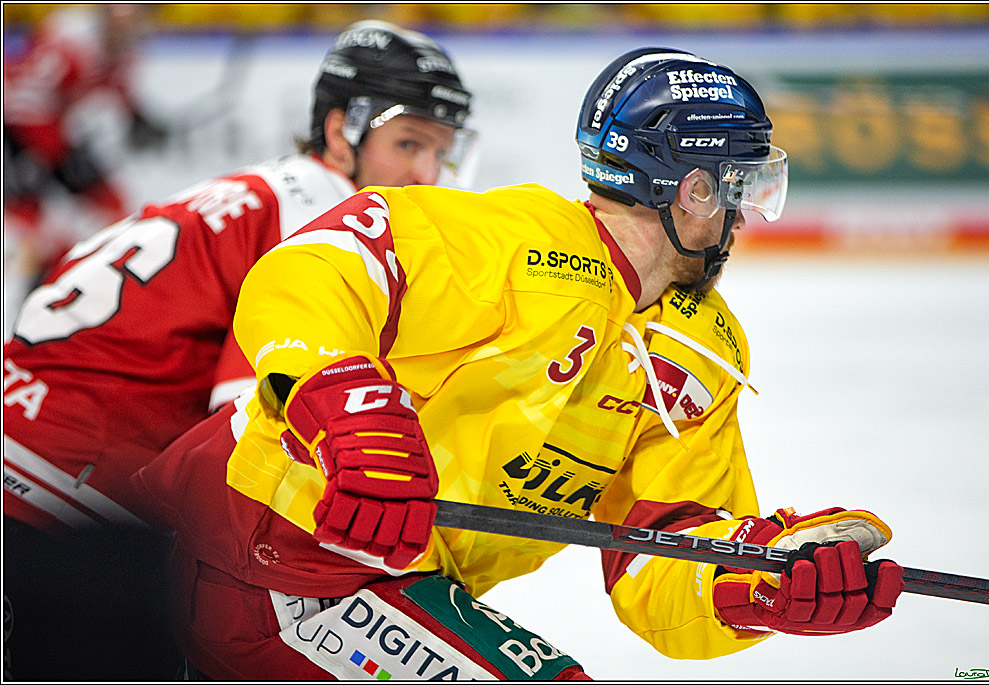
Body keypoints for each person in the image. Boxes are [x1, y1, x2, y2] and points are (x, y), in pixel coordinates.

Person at [132, 47, 905, 680]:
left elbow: (662, 551)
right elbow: (315, 264)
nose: (744, 216)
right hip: (260, 545)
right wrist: (343, 404)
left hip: (391, 582)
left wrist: (758, 584)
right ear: (690, 186)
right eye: (737, 186)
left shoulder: (706, 344)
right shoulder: (512, 240)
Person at [2, 20, 474, 681]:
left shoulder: (270, 191)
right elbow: (250, 415)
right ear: (341, 133)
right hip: (67, 507)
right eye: (408, 143)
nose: (428, 174)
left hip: (35, 466)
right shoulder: (328, 220)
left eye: (442, 152)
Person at [3, 4, 169, 285]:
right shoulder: (68, 40)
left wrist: (137, 118)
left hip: (54, 134)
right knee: (27, 226)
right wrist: (51, 152)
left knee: (113, 208)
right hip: (18, 132)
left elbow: (117, 87)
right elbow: (19, 100)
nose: (135, 21)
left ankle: (86, 282)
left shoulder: (127, 47)